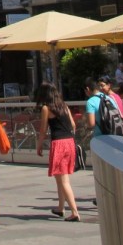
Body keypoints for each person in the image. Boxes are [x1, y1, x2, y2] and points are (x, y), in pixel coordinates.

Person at [35, 82, 80, 222]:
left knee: (64, 180)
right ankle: (61, 207)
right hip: (69, 142)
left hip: (58, 143)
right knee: (60, 178)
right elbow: (73, 125)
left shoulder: (46, 108)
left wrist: (39, 144)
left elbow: (43, 129)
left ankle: (75, 212)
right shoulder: (64, 106)